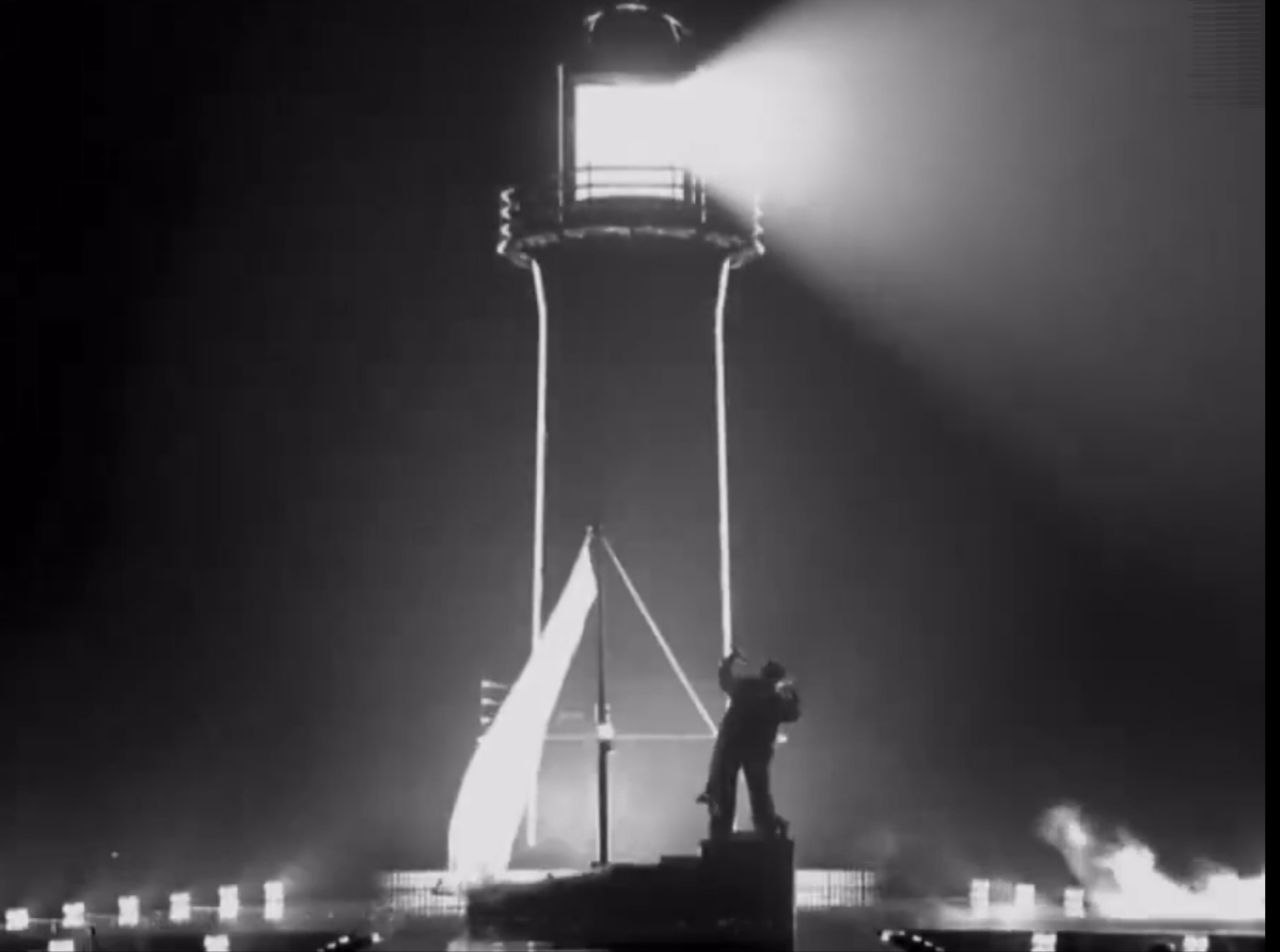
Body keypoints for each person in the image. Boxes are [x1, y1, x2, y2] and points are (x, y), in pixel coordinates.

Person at [696, 647, 800, 839]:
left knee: (726, 793)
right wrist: (792, 694)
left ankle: (721, 834)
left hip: (733, 747)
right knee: (759, 795)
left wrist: (730, 660)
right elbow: (793, 714)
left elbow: (725, 680)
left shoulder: (745, 688)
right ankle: (767, 831)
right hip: (755, 753)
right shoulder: (775, 700)